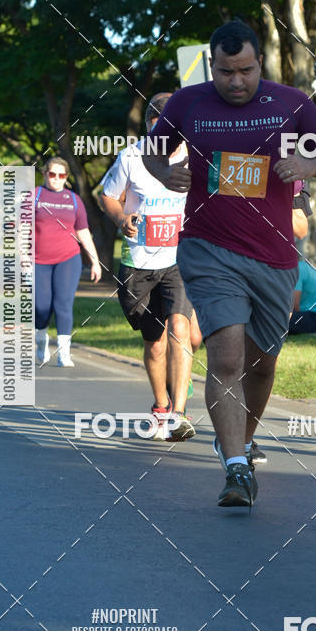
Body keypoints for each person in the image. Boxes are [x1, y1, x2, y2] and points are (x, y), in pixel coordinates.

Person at [143, 19, 316, 507]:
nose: (236, 81)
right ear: (211, 65)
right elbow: (151, 151)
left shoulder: (291, 102)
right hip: (208, 248)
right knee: (228, 356)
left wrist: (307, 166)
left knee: (262, 365)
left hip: (274, 256)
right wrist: (164, 170)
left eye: (246, 71)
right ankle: (235, 468)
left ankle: (241, 436)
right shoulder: (186, 102)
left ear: (261, 64)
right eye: (225, 71)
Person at [100, 93, 197, 441]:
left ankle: (179, 414)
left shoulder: (194, 156)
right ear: (150, 125)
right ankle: (160, 406)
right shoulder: (131, 156)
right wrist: (121, 218)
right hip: (138, 262)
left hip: (179, 259)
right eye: (158, 121)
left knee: (180, 330)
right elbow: (108, 196)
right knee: (155, 343)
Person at [35, 157, 101, 367]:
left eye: (61, 175)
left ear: (66, 177)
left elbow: (83, 231)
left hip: (68, 259)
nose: (56, 178)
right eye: (52, 174)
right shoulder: (33, 196)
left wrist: (95, 260)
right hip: (38, 261)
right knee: (41, 307)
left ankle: (64, 352)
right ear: (45, 174)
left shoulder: (73, 199)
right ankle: (41, 341)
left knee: (63, 304)